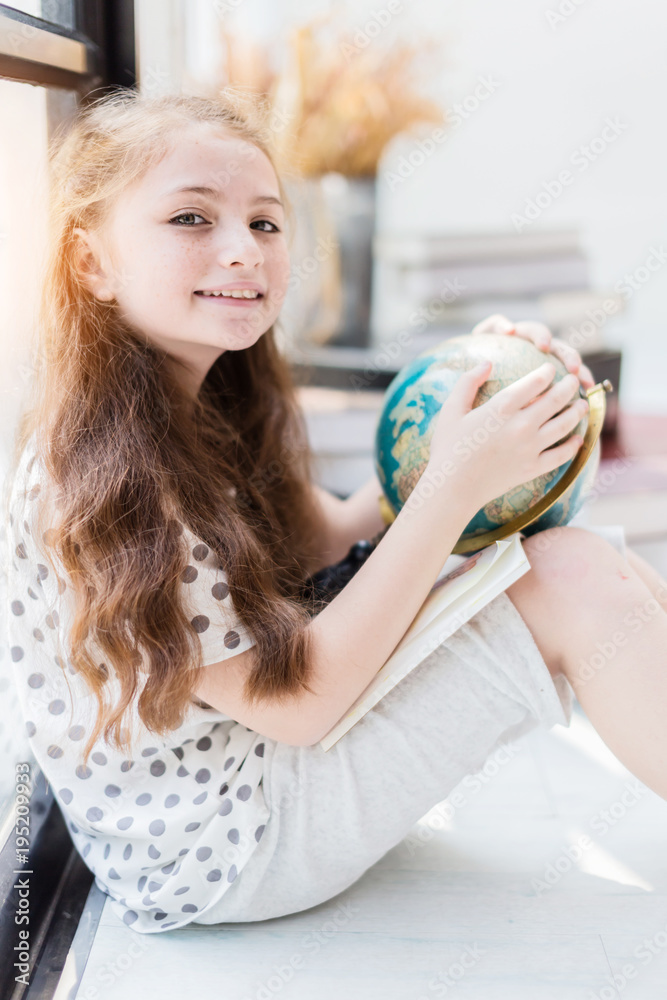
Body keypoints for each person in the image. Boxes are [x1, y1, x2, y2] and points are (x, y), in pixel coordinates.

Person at [3, 89, 666, 936]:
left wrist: (476, 409)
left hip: (260, 775)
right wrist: (452, 486)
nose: (241, 250)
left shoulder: (188, 405)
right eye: (191, 220)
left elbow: (317, 537)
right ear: (89, 261)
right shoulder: (99, 481)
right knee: (570, 580)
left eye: (265, 223)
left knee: (593, 560)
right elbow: (302, 704)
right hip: (231, 843)